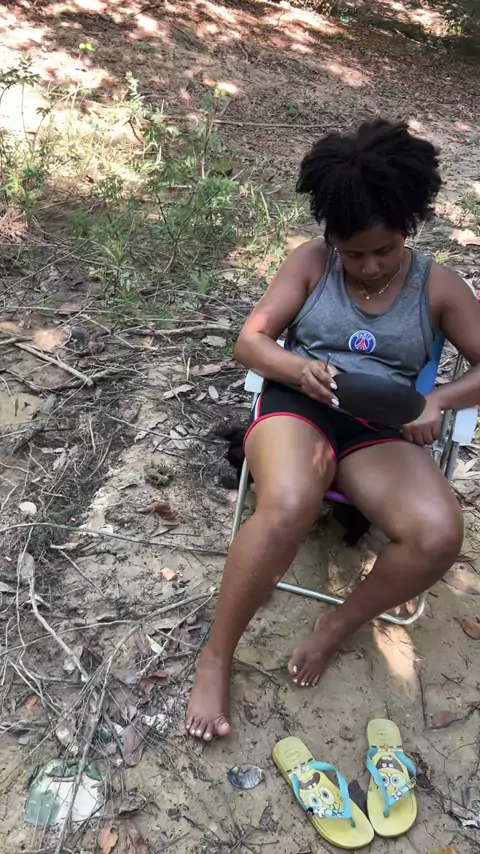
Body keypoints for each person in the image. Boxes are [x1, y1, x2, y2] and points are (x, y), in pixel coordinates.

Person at [186, 119, 480, 741]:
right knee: (291, 501)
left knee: (437, 536)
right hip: (301, 406)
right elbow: (250, 342)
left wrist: (436, 400)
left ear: (409, 225)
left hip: (381, 427)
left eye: (384, 251)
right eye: (354, 253)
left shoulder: (438, 285)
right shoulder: (312, 264)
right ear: (331, 237)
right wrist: (298, 367)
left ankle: (338, 624)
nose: (369, 267)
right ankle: (216, 655)